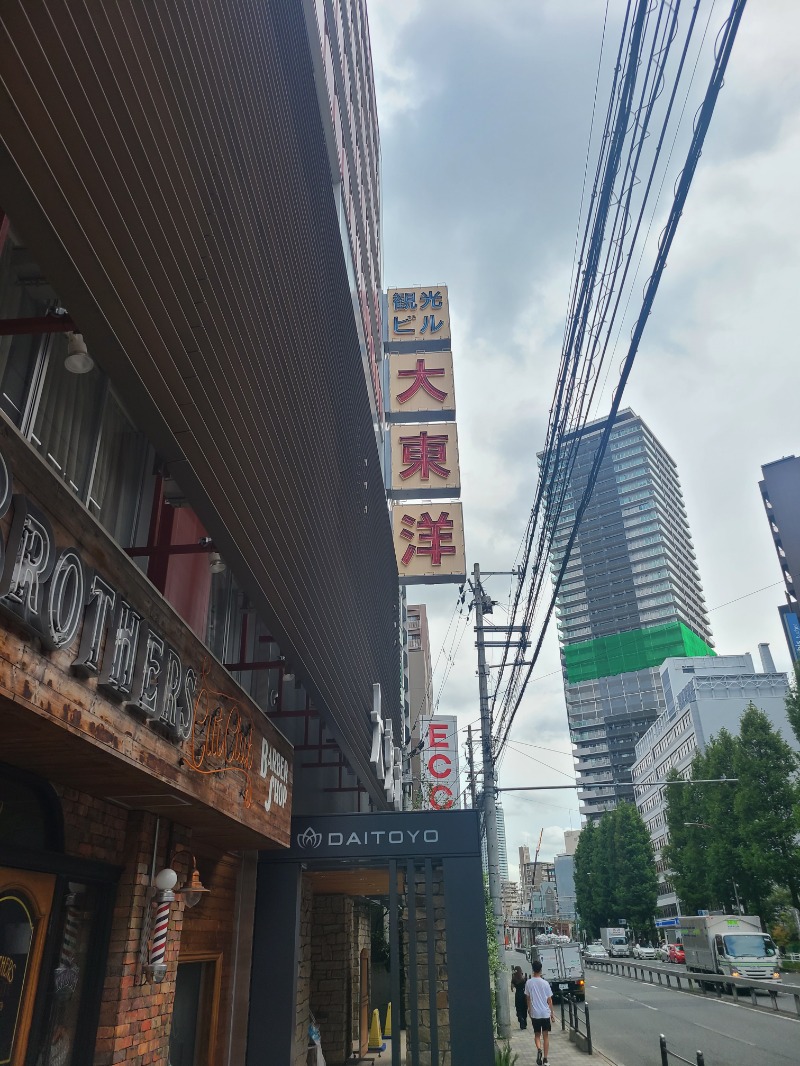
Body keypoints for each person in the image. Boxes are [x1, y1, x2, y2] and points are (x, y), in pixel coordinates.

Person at [525, 959, 555, 1066]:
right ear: (541, 970)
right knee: (545, 1036)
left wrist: (529, 1009)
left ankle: (539, 1049)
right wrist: (552, 1014)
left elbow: (528, 998)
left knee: (537, 1035)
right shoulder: (545, 983)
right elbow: (549, 1000)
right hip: (545, 1013)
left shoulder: (528, 983)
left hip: (535, 1013)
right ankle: (546, 1059)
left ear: (533, 970)